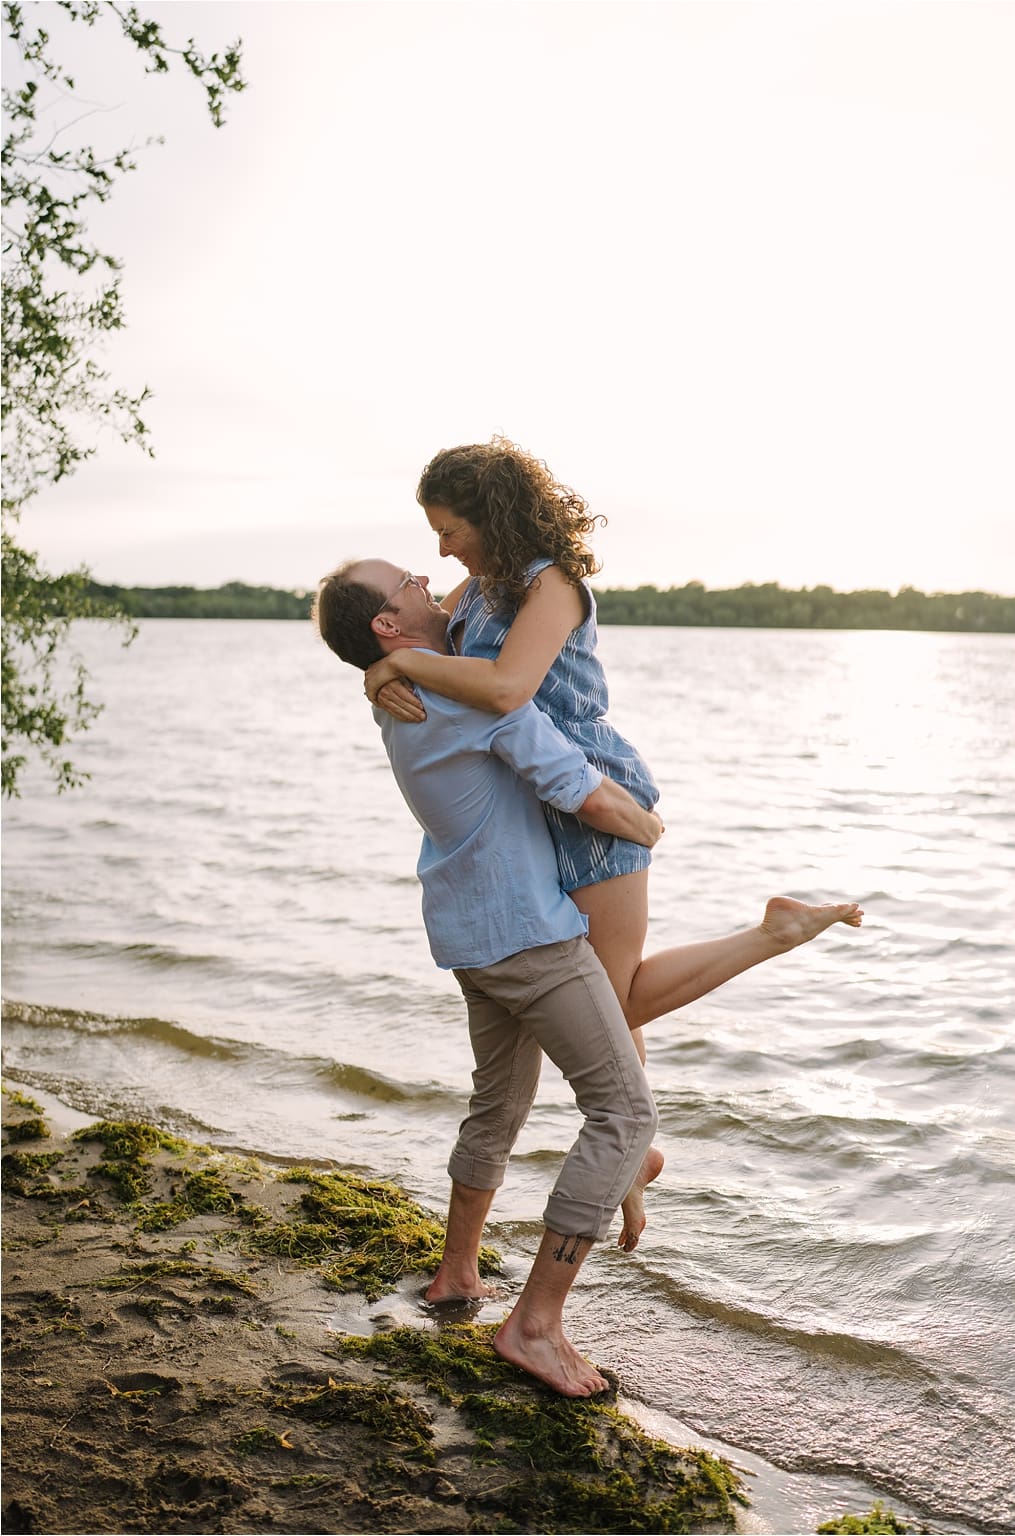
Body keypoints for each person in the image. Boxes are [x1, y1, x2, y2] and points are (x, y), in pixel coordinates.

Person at [313, 557, 849, 1395]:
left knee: (498, 1105)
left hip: (468, 934)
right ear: (387, 622)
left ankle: (457, 1274)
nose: (429, 582)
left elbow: (442, 627)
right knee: (626, 1114)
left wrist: (384, 666)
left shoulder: (405, 693)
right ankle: (534, 1326)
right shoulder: (465, 695)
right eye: (410, 582)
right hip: (528, 937)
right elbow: (576, 787)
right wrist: (646, 824)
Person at [358, 438, 862, 1243]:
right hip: (535, 804)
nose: (442, 550)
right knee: (603, 992)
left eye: (449, 529)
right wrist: (381, 669)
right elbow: (412, 637)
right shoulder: (474, 590)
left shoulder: (551, 584)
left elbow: (504, 689)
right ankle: (633, 1164)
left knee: (612, 997)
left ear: (491, 517)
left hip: (593, 793)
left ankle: (773, 933)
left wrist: (398, 671)